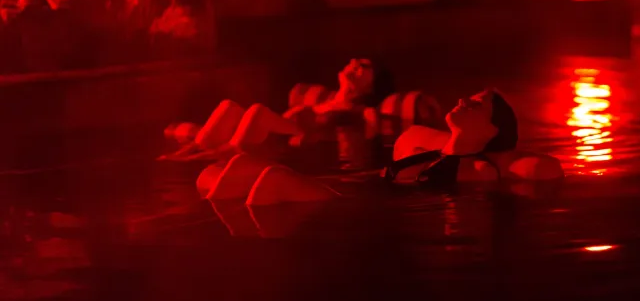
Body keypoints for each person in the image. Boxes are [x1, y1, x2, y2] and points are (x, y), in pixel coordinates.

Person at [198, 89, 564, 205]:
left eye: (476, 105)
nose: (463, 100)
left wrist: (506, 152)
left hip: (350, 203)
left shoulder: (479, 169)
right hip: (351, 185)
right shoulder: (433, 149)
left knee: (273, 177)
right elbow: (417, 131)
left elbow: (539, 168)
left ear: (489, 131)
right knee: (226, 167)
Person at [160, 58, 395, 161]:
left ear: (370, 86)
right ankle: (183, 155)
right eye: (356, 61)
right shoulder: (329, 100)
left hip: (282, 147)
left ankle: (198, 160)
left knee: (257, 111)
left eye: (363, 66)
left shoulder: (362, 110)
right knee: (228, 106)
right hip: (270, 133)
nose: (354, 62)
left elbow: (372, 142)